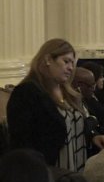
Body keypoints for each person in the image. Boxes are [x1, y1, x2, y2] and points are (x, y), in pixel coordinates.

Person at [6, 39, 87, 169]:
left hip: (75, 171)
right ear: (48, 59)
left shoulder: (69, 93)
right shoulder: (27, 92)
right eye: (66, 61)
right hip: (48, 173)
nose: (71, 68)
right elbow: (23, 142)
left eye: (72, 63)